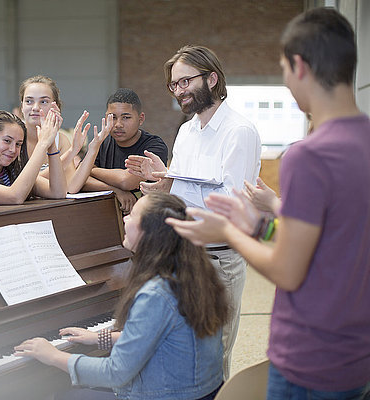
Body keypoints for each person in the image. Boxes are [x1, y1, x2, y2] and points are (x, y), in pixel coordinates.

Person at [166, 8, 370, 399]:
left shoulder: (307, 156)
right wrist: (265, 223)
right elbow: (331, 240)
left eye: (283, 69)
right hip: (355, 352)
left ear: (299, 66)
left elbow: (289, 271)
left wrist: (229, 230)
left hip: (311, 354)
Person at [125, 45, 261, 379]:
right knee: (186, 349)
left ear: (212, 79)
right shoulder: (186, 131)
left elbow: (231, 207)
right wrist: (162, 183)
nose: (180, 90)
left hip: (219, 256)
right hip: (184, 254)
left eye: (186, 81)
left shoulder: (238, 132)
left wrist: (174, 186)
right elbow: (183, 191)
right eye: (174, 84)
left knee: (214, 355)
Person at [14, 193, 227, 400]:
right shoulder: (192, 272)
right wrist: (100, 337)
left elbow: (115, 372)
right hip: (202, 392)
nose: (125, 218)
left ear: (149, 233)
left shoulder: (155, 294)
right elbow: (158, 335)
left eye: (133, 215)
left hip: (167, 393)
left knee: (59, 394)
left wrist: (53, 355)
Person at [18, 75, 114, 195]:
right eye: (29, 101)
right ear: (21, 106)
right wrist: (71, 153)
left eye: (43, 101)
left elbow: (71, 186)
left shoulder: (61, 140)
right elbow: (24, 183)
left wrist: (93, 148)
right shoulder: (13, 138)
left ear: (56, 106)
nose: (35, 108)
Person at [82, 88, 168, 214]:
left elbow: (126, 181)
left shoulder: (154, 146)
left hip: (147, 218)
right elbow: (79, 179)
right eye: (113, 117)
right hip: (107, 217)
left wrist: (91, 169)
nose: (118, 124)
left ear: (141, 118)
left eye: (126, 117)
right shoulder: (102, 142)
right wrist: (115, 191)